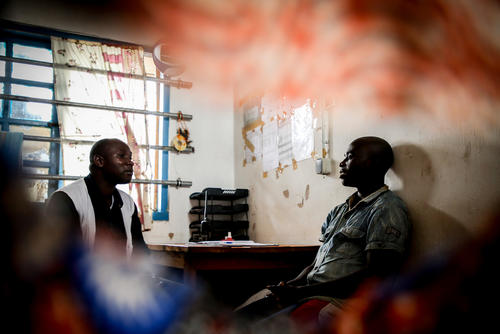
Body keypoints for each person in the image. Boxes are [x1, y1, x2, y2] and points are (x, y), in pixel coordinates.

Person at [235, 136, 411, 327]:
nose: (342, 163)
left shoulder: (387, 208)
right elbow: (318, 264)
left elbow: (375, 277)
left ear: (373, 164)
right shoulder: (340, 211)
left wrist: (302, 292)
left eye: (350, 157)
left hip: (333, 299)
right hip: (310, 292)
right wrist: (292, 284)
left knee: (257, 327)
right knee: (237, 318)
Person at [45, 138, 147, 259]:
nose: (130, 163)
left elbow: (140, 251)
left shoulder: (127, 203)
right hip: (82, 276)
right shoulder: (66, 198)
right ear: (99, 161)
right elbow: (59, 256)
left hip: (121, 277)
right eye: (121, 156)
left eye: (129, 157)